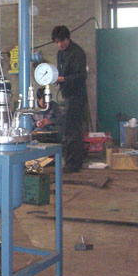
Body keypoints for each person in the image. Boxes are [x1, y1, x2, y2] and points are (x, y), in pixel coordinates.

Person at [52, 25, 87, 173]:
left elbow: (81, 76)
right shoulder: (60, 54)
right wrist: (56, 79)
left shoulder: (77, 53)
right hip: (67, 95)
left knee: (73, 130)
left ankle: (74, 164)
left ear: (68, 38)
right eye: (57, 42)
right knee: (69, 129)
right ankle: (72, 162)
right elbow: (61, 72)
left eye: (62, 41)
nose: (60, 45)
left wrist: (62, 79)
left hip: (77, 95)